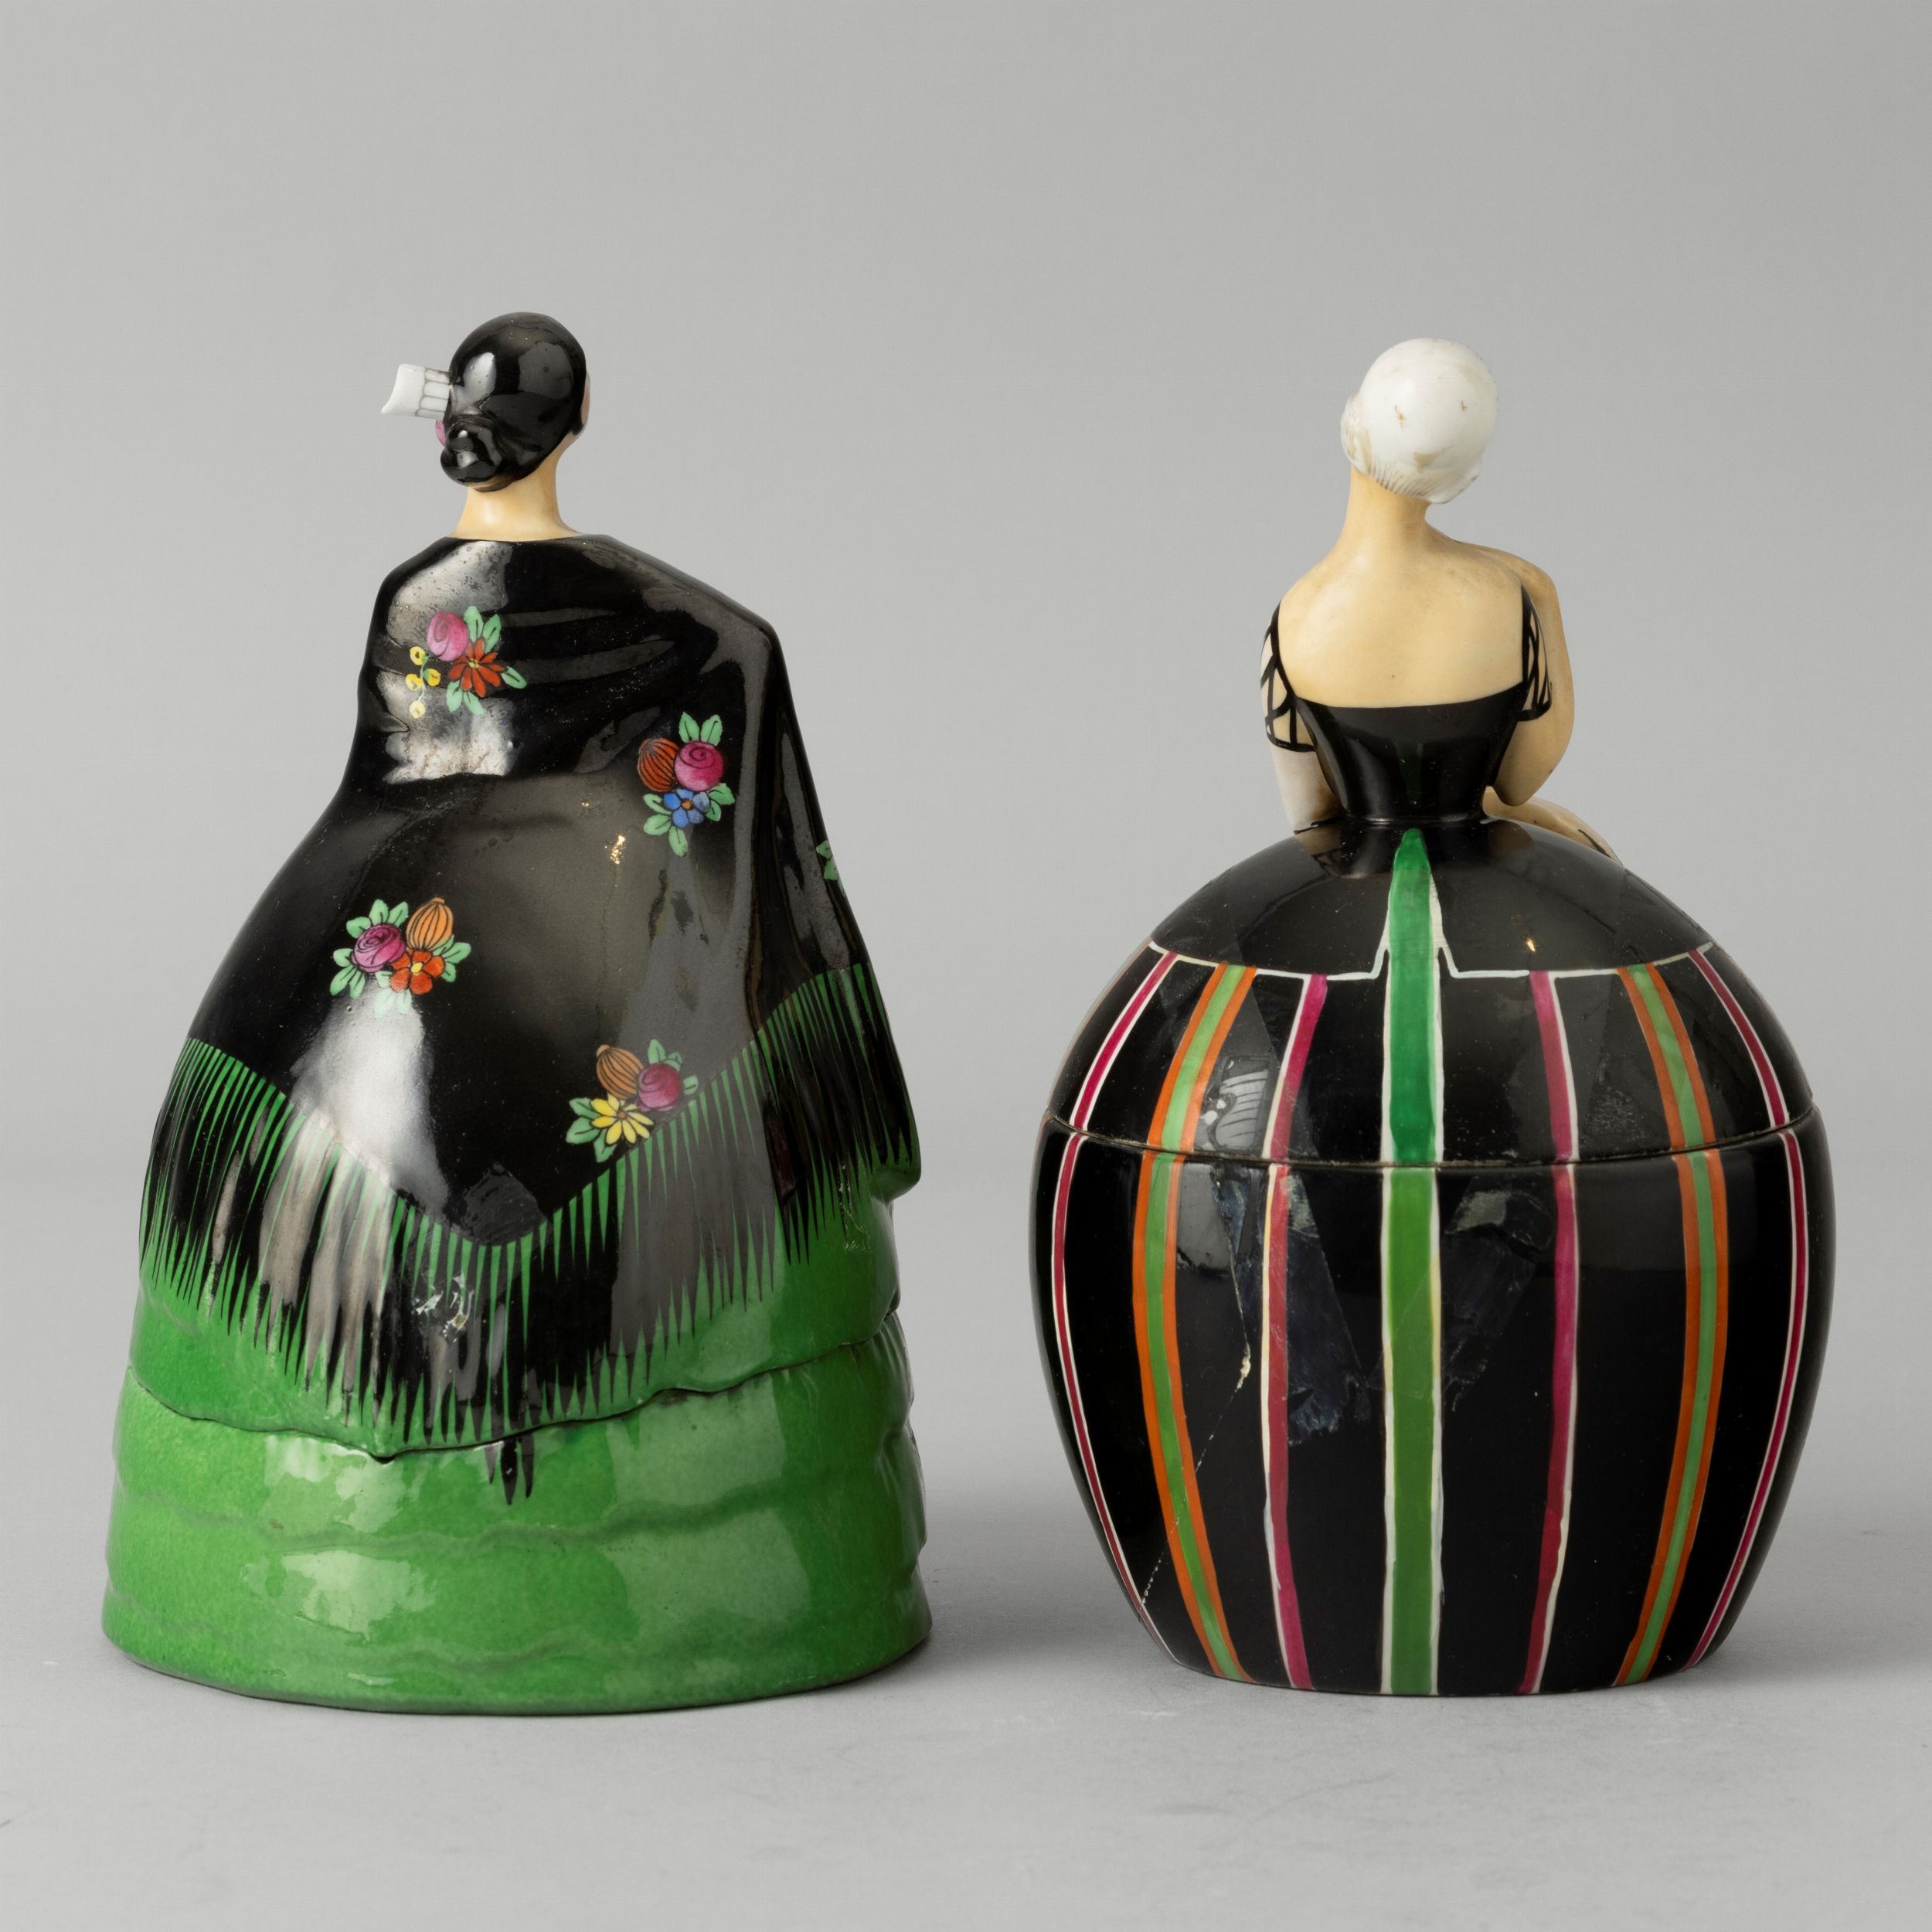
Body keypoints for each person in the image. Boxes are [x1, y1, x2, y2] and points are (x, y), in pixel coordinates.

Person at [106, 315, 929, 1712]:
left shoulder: (413, 595)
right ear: (579, 421)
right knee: (673, 1098)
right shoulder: (659, 607)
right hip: (602, 941)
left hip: (385, 956)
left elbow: (386, 780)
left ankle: (309, 1588)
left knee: (295, 1134)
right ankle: (716, 1585)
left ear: (452, 436)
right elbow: (747, 657)